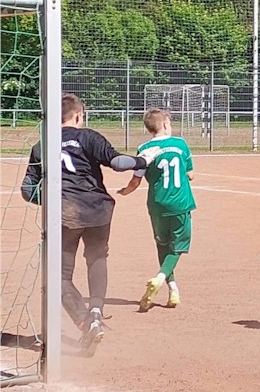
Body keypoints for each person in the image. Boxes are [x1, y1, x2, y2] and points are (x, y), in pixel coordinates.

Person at [20, 93, 160, 356]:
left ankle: (86, 321)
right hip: (98, 211)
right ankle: (96, 309)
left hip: (65, 215)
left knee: (59, 276)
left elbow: (28, 190)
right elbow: (118, 163)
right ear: (77, 116)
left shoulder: (42, 145)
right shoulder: (88, 137)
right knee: (97, 258)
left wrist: (52, 200)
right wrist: (143, 161)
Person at [117, 108, 197, 311]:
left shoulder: (143, 148)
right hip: (180, 203)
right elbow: (191, 173)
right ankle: (160, 278)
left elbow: (135, 181)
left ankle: (173, 290)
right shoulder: (180, 144)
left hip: (156, 204)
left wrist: (125, 192)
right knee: (177, 247)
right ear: (165, 125)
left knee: (162, 245)